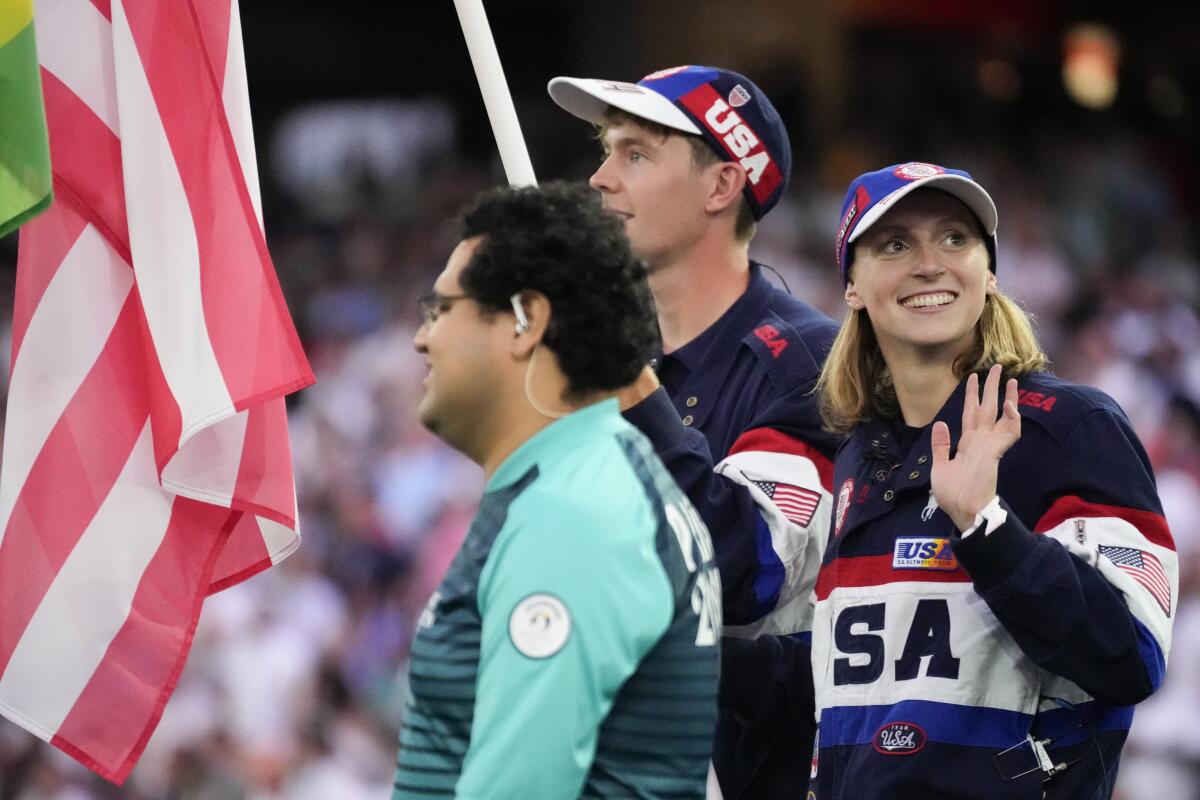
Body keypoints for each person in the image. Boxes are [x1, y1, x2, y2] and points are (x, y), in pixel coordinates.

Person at [810, 162, 1178, 798]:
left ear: (990, 271)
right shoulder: (855, 457)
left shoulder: (1072, 428)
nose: (930, 263)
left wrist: (987, 526)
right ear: (852, 286)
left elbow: (1131, 655)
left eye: (956, 238)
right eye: (895, 244)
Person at [548, 65, 840, 798]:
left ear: (721, 187)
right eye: (607, 149)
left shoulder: (808, 364)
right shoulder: (615, 362)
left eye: (635, 154)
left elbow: (746, 569)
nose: (599, 179)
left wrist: (626, 387)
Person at [392, 182, 721, 799]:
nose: (421, 337)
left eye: (440, 310)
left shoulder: (573, 515)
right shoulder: (588, 480)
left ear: (526, 321)